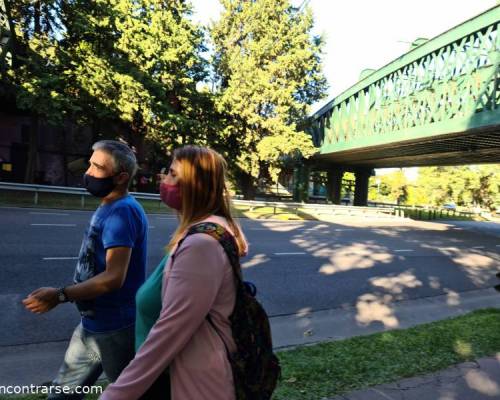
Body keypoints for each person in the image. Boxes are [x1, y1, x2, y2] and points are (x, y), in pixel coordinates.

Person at [100, 145, 248, 400]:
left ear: (194, 185)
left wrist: (115, 395)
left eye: (172, 173)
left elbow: (169, 333)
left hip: (184, 383)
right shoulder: (209, 230)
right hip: (174, 376)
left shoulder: (201, 245)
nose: (164, 179)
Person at [22, 140, 148, 399]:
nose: (88, 172)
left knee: (130, 394)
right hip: (93, 324)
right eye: (90, 163)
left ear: (121, 177)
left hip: (115, 329)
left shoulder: (121, 213)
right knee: (61, 395)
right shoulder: (110, 204)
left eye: (98, 167)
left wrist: (59, 295)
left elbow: (114, 277)